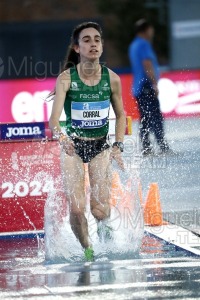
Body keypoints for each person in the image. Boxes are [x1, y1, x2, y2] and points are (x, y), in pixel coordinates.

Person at [49, 22, 126, 261]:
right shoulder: (65, 79)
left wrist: (118, 145)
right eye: (86, 40)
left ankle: (105, 232)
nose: (93, 44)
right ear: (77, 47)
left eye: (97, 40)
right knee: (76, 209)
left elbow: (122, 115)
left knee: (99, 210)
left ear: (102, 47)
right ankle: (87, 250)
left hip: (100, 147)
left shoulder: (112, 79)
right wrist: (62, 139)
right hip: (73, 146)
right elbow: (53, 120)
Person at [129, 19, 171, 155]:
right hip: (146, 86)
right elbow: (147, 64)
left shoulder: (134, 45)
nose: (152, 32)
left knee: (145, 119)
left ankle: (146, 147)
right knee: (156, 117)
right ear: (146, 30)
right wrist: (154, 83)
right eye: (151, 29)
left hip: (138, 87)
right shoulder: (144, 44)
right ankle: (162, 146)